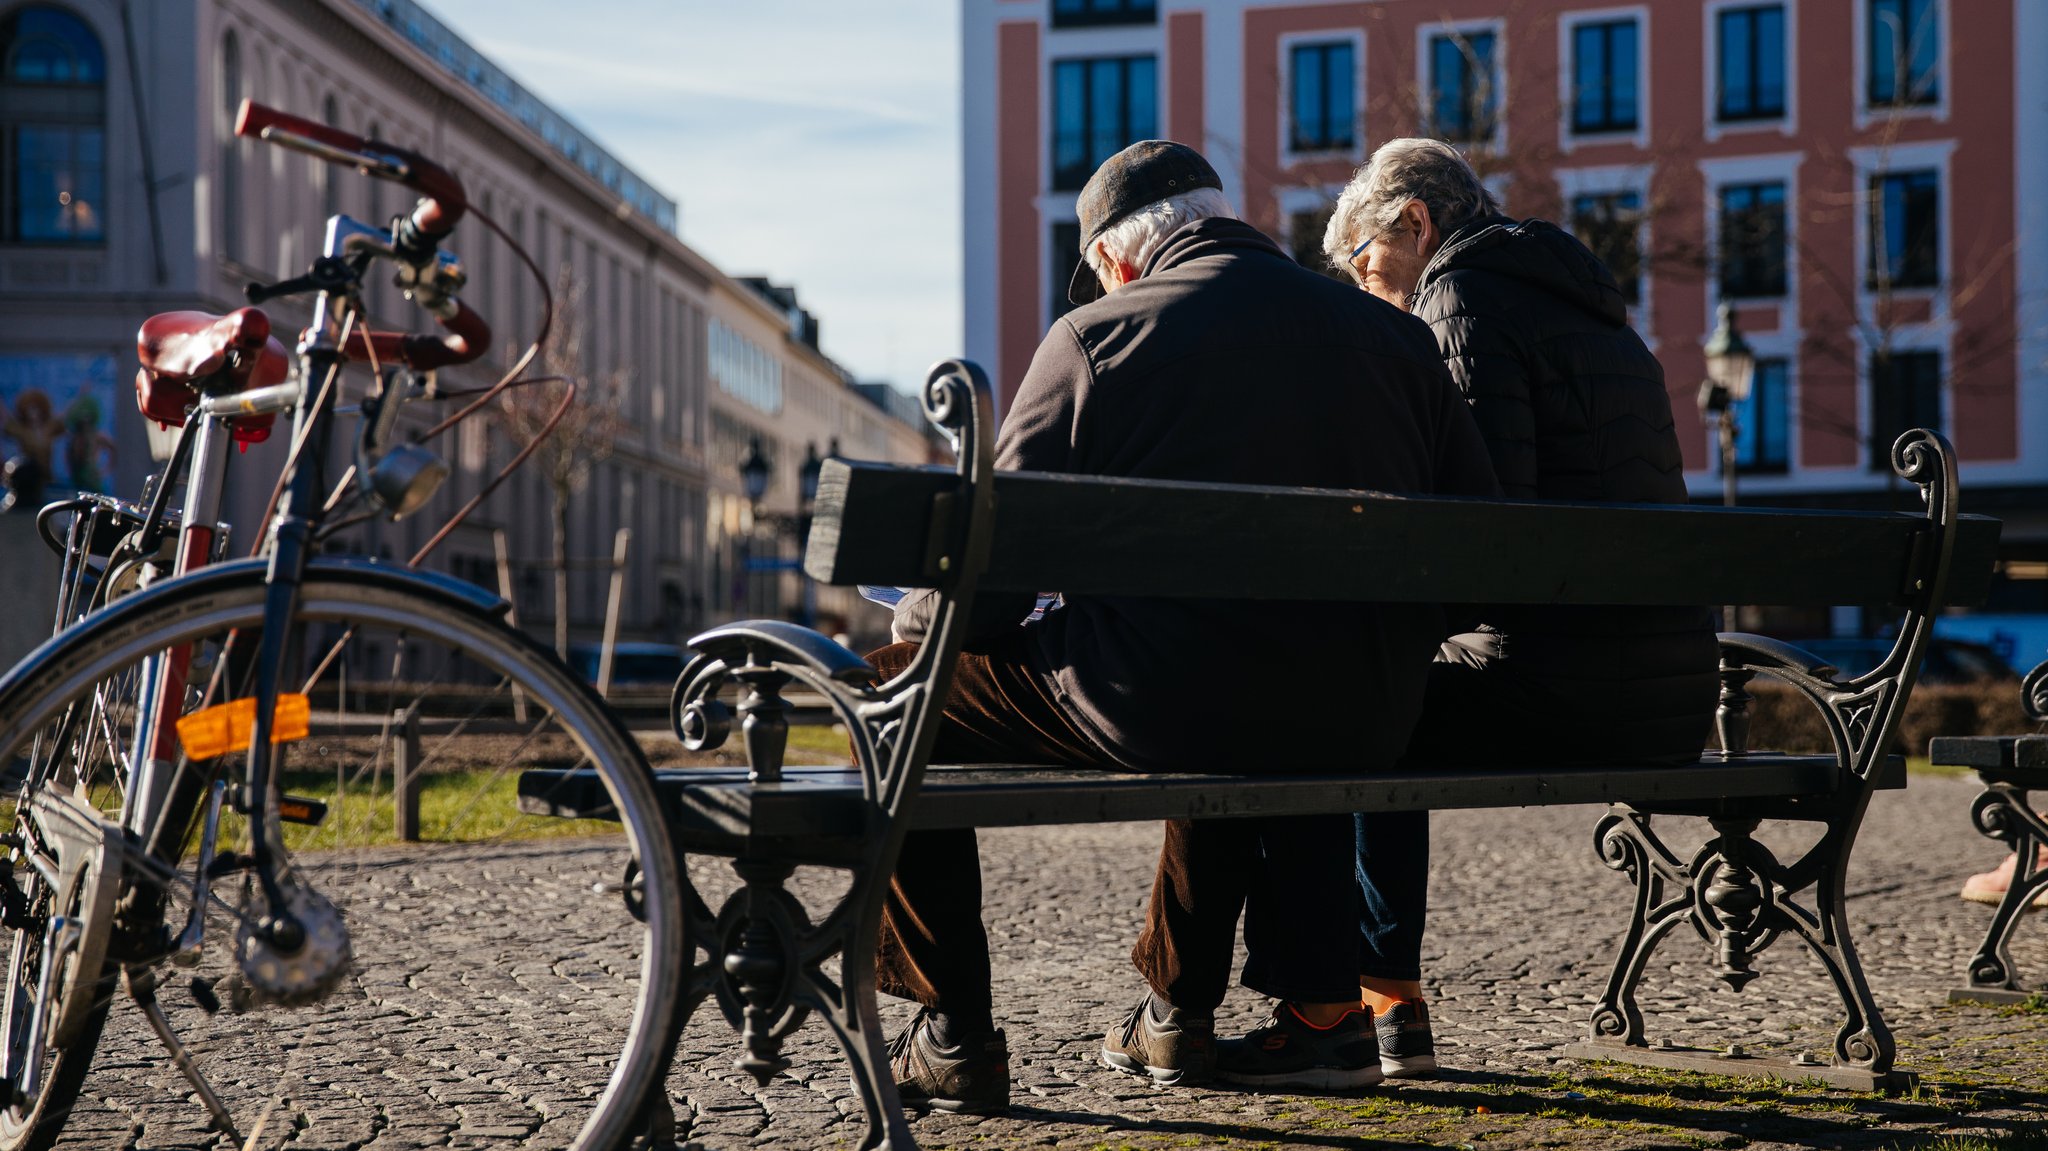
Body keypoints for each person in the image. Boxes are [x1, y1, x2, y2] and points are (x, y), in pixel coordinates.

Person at [869, 139, 1499, 1113]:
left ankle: (953, 1032)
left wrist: (915, 615)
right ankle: (1194, 1011)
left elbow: (986, 587)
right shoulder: (1393, 336)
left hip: (1177, 700)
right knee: (1220, 663)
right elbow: (1472, 565)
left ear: (1118, 260)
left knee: (898, 687)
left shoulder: (1097, 335)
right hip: (1360, 702)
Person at [1126, 138, 1721, 1092]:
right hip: (1670, 698)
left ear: (1416, 223)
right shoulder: (1597, 309)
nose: (1368, 290)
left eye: (1366, 263)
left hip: (1561, 687)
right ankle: (1380, 1001)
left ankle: (1340, 1009)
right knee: (1372, 684)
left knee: (1332, 700)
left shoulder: (1460, 297)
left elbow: (1476, 538)